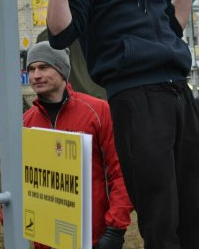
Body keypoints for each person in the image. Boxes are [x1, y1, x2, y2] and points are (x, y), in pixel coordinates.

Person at [44, 0, 199, 249]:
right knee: (160, 208)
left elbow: (173, 28)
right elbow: (60, 34)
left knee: (193, 201)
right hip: (137, 97)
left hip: (180, 91)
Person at [22, 41, 133, 249]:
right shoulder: (26, 121)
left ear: (62, 70)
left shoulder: (98, 111)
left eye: (43, 67)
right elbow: (19, 179)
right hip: (45, 239)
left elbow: (122, 172)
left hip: (92, 237)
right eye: (31, 69)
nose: (35, 75)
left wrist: (115, 228)